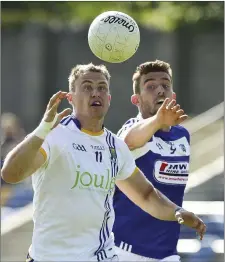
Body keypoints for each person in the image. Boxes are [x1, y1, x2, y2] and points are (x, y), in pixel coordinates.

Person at [2, 63, 206, 262]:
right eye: (87, 87)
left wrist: (177, 212)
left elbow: (145, 195)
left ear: (108, 99)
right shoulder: (55, 136)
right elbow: (11, 174)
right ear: (71, 98)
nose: (95, 93)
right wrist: (41, 130)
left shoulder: (115, 146)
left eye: (101, 88)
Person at [113, 60, 195, 261]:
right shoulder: (132, 129)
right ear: (136, 100)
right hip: (126, 251)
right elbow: (128, 143)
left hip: (166, 253)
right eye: (150, 86)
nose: (160, 90)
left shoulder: (182, 135)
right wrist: (158, 121)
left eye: (166, 85)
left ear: (173, 95)